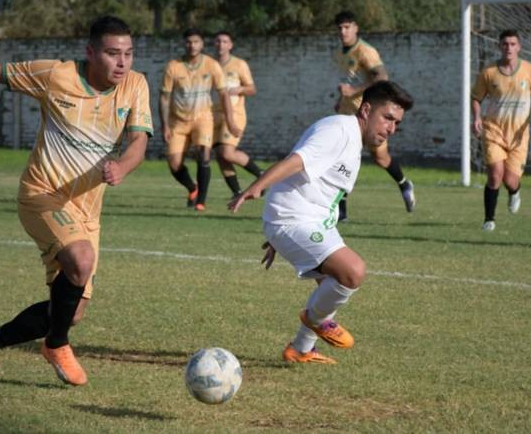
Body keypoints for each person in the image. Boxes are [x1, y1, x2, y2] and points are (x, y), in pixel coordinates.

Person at [0, 16, 152, 386]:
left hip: (86, 210)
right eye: (113, 53)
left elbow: (139, 143)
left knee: (72, 310)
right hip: (42, 194)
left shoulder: (135, 85)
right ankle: (56, 345)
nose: (122, 62)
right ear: (91, 52)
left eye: (128, 54)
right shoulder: (56, 75)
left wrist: (122, 168)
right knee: (81, 261)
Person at [229, 81, 413, 364]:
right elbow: (298, 160)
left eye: (397, 123)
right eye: (387, 118)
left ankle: (300, 349)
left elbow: (313, 185)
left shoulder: (351, 138)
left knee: (330, 284)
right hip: (294, 219)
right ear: (366, 109)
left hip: (308, 221)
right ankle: (314, 319)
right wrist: (258, 186)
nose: (391, 128)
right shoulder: (338, 130)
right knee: (353, 271)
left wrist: (285, 242)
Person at [333, 11, 415, 220]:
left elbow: (382, 78)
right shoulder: (340, 52)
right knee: (343, 156)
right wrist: (341, 100)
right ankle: (340, 211)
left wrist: (354, 91)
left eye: (347, 27)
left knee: (380, 158)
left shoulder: (366, 51)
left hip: (368, 114)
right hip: (349, 113)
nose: (343, 31)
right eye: (340, 28)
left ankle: (404, 183)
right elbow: (349, 80)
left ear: (356, 27)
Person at [471, 29, 531, 231]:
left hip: (519, 135)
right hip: (493, 131)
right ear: (499, 46)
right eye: (505, 44)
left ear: (519, 47)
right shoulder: (488, 73)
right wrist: (477, 117)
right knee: (495, 174)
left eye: (513, 44)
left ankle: (515, 192)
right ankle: (489, 219)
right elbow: (476, 98)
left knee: (510, 180)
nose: (509, 48)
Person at [160, 28, 239, 211]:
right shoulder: (174, 66)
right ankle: (192, 188)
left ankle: (201, 202)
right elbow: (164, 98)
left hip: (203, 118)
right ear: (184, 44)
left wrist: (231, 121)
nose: (192, 45)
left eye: (196, 42)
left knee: (204, 156)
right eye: (189, 42)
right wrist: (164, 125)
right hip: (177, 122)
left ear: (202, 44)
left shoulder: (211, 65)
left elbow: (224, 95)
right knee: (174, 163)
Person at [212, 30, 263, 197]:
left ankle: (261, 174)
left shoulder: (239, 64)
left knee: (227, 152)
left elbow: (252, 88)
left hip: (234, 114)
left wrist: (239, 89)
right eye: (218, 41)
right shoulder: (210, 64)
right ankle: (236, 191)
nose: (221, 44)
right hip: (214, 115)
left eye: (225, 41)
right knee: (220, 156)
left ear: (230, 45)